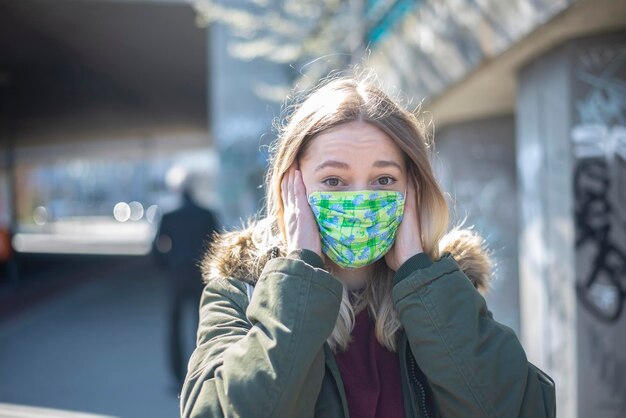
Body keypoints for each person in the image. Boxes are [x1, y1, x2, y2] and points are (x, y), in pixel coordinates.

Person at [180, 76, 556, 417]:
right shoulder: (240, 294)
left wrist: (419, 274)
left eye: (382, 179)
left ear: (413, 189)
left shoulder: (444, 292)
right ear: (291, 187)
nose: (360, 199)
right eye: (333, 180)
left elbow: (521, 408)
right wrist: (299, 280)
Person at [154, 175, 219, 388]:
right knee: (203, 327)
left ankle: (176, 378)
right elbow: (216, 245)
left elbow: (156, 247)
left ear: (176, 189)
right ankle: (201, 374)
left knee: (174, 326)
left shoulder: (169, 213)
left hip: (177, 277)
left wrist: (168, 267)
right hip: (201, 276)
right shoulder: (206, 214)